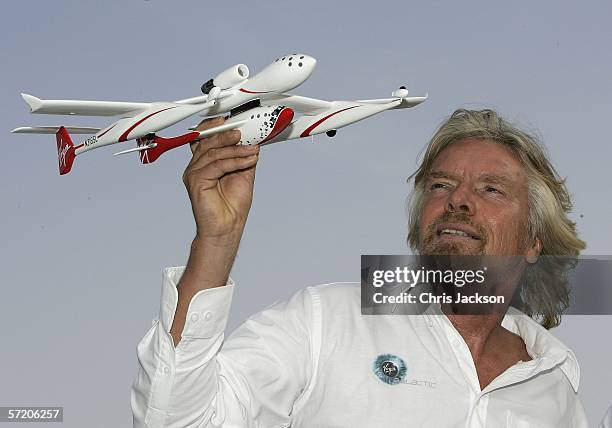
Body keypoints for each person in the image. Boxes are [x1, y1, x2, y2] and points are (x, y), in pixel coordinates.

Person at [131, 110, 588, 427]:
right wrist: (217, 241)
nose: (458, 200)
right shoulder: (326, 320)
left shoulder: (554, 383)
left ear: (533, 241)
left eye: (491, 189)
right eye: (441, 184)